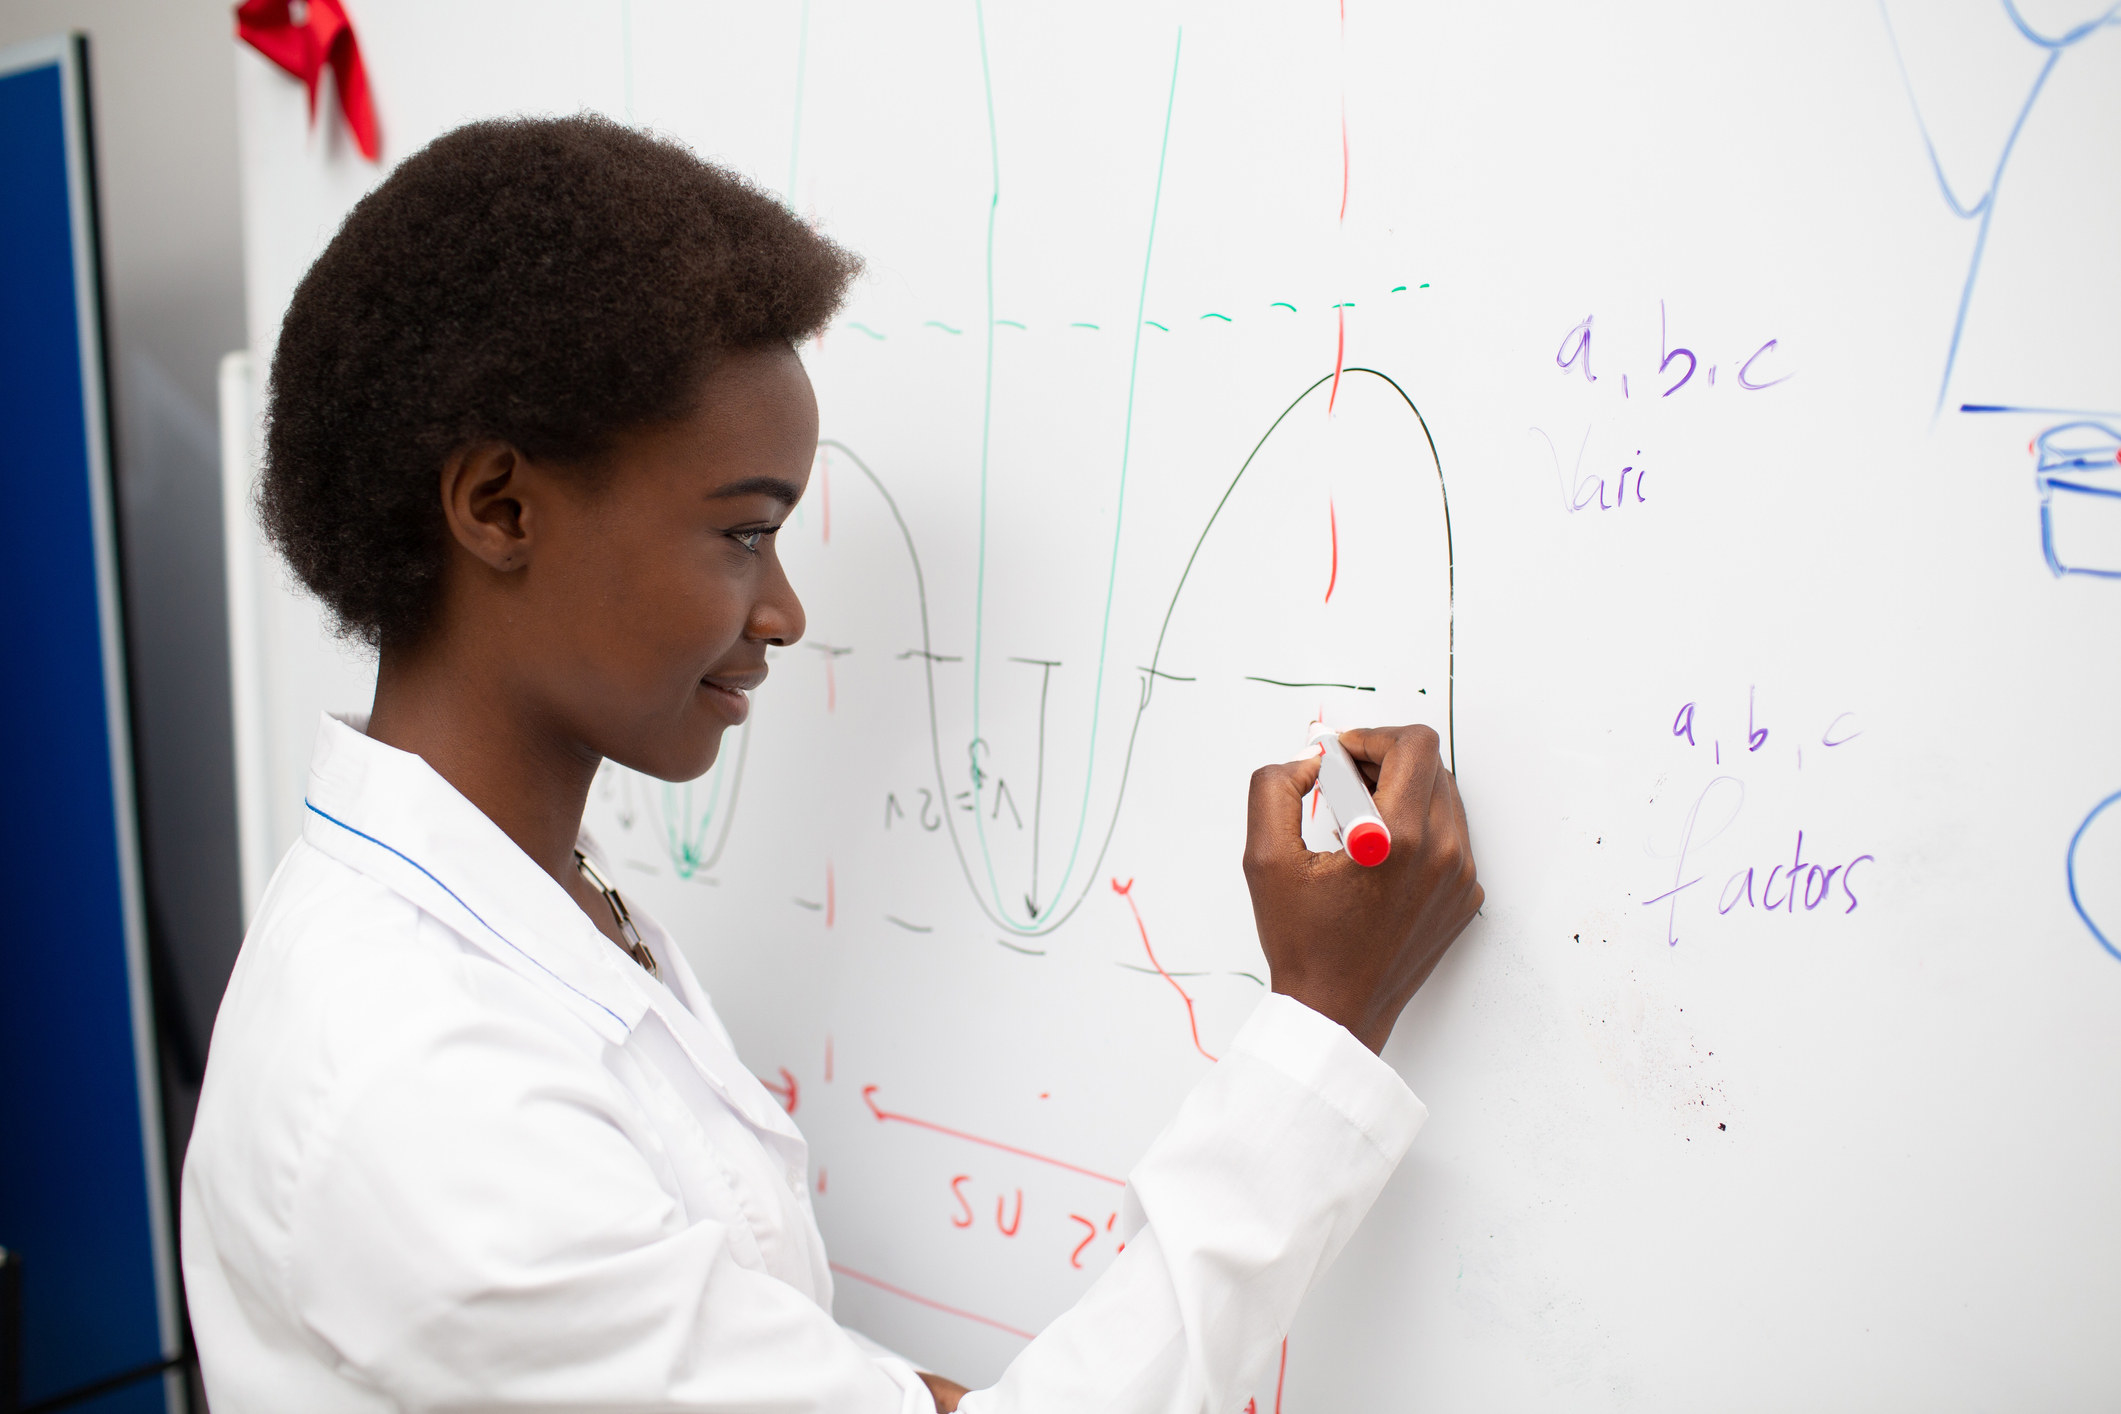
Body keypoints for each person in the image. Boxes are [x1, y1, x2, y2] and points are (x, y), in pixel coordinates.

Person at [180, 115, 1484, 1412]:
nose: (784, 609)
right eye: (743, 531)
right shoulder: (416, 1083)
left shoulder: (532, 909)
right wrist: (1323, 1026)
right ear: (499, 507)